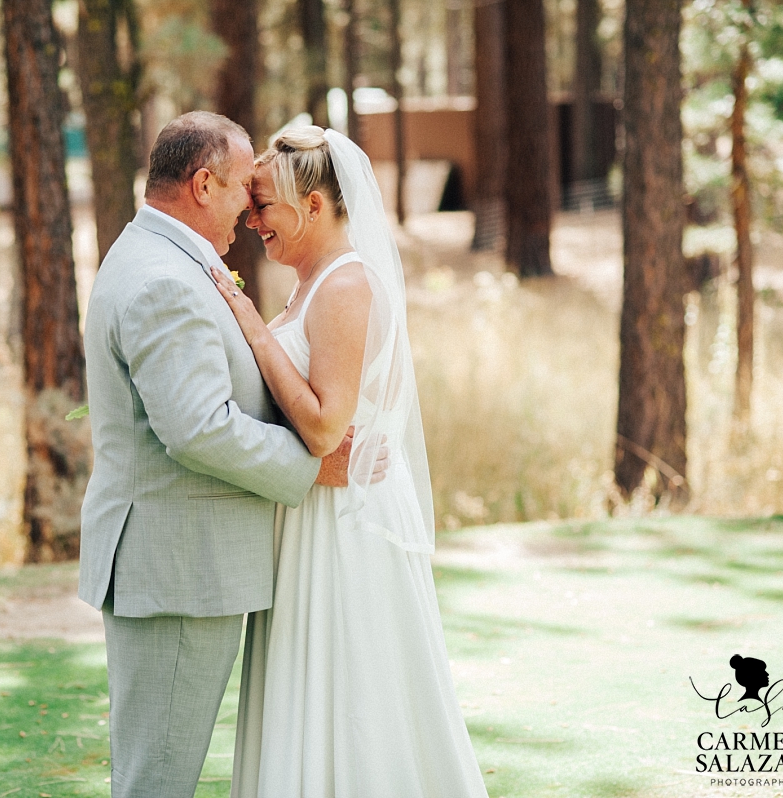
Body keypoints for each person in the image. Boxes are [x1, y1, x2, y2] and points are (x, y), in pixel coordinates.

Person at [77, 112, 382, 798]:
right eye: (246, 185)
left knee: (154, 773)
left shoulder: (160, 259)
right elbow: (200, 429)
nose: (251, 205)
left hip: (179, 564)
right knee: (156, 780)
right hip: (177, 567)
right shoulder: (164, 279)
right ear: (204, 183)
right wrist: (309, 468)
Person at [211, 126, 490, 797]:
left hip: (346, 525)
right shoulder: (309, 286)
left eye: (264, 206)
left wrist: (249, 323)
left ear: (312, 207)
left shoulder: (345, 286)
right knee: (312, 692)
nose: (253, 221)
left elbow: (324, 424)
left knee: (355, 698)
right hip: (311, 515)